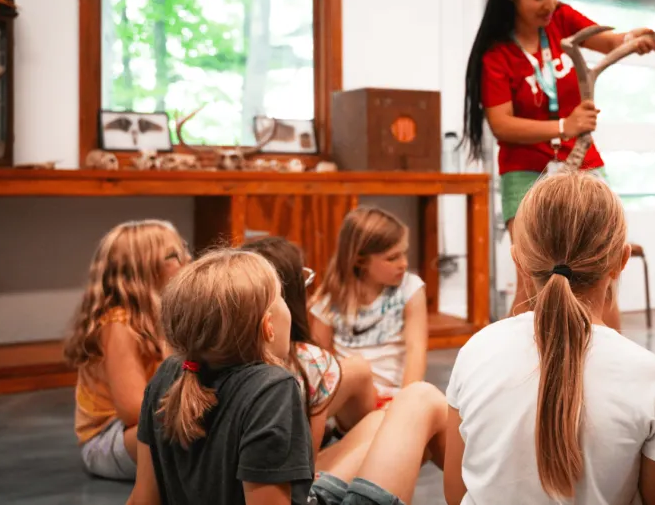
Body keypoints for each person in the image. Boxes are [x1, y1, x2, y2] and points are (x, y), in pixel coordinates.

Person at [127, 249, 449, 505]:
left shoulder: (171, 373)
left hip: (306, 492)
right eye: (281, 296)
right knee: (422, 397)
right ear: (268, 325)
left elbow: (144, 498)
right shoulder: (272, 388)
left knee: (385, 419)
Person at [443, 171, 655, 505]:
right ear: (621, 261)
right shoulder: (654, 378)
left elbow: (455, 492)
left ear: (519, 261)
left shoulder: (476, 351)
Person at [461, 0, 655, 326]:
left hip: (582, 162)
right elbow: (501, 124)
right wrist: (563, 126)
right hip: (525, 172)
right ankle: (512, 369)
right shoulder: (496, 56)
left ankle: (613, 368)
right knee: (531, 280)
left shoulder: (561, 20)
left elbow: (609, 40)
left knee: (604, 275)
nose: (550, 3)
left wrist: (636, 38)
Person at [63, 219, 189, 481]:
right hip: (109, 439)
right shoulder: (118, 324)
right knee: (182, 428)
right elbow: (135, 411)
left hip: (149, 425)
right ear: (143, 271)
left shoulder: (164, 316)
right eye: (174, 256)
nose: (188, 259)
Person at [240, 237, 386, 463]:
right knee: (380, 424)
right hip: (289, 481)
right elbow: (305, 461)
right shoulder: (310, 362)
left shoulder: (220, 351)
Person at [310, 206, 427, 409]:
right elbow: (321, 358)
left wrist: (405, 403)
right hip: (354, 401)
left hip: (397, 396)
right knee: (357, 369)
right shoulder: (331, 298)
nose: (404, 263)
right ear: (360, 260)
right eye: (392, 258)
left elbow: (416, 348)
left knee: (434, 401)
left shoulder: (410, 288)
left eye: (404, 253)